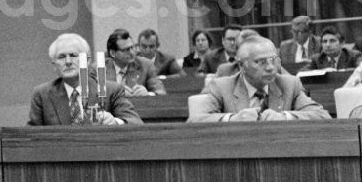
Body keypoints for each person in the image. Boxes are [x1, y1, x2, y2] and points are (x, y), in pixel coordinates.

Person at [187, 36, 329, 122]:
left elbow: (322, 116)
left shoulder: (290, 84)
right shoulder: (222, 87)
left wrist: (285, 117)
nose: (270, 67)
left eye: (273, 60)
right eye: (260, 62)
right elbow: (195, 120)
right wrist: (232, 119)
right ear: (242, 65)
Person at [27, 33, 142, 127]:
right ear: (54, 65)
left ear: (87, 61)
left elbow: (136, 123)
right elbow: (31, 135)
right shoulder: (42, 94)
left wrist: (115, 122)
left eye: (73, 55)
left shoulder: (111, 90)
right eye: (61, 57)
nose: (68, 62)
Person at [105, 29, 165, 96]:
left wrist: (149, 94)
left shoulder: (146, 65)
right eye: (126, 50)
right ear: (113, 53)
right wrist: (117, 94)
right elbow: (95, 96)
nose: (132, 52)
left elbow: (161, 91)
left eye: (132, 47)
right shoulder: (99, 69)